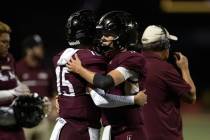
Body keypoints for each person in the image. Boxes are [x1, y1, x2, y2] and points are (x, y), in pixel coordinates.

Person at [50, 10, 147, 140]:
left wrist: (79, 71)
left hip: (125, 128)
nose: (102, 38)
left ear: (123, 36)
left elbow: (104, 85)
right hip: (92, 127)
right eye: (102, 34)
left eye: (108, 34)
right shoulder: (99, 57)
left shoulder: (132, 58)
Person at [140, 25, 196, 140]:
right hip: (164, 135)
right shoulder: (164, 68)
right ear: (164, 45)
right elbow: (191, 97)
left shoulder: (131, 63)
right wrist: (185, 68)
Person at [15, 34, 57, 140]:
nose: (42, 50)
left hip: (43, 119)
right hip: (23, 120)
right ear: (29, 50)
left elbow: (54, 94)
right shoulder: (17, 68)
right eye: (38, 47)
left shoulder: (46, 69)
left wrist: (54, 108)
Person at [0, 21, 30, 140]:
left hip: (14, 122)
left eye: (9, 42)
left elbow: (13, 79)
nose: (8, 45)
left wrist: (25, 90)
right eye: (4, 42)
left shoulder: (9, 58)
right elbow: (14, 91)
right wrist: (13, 93)